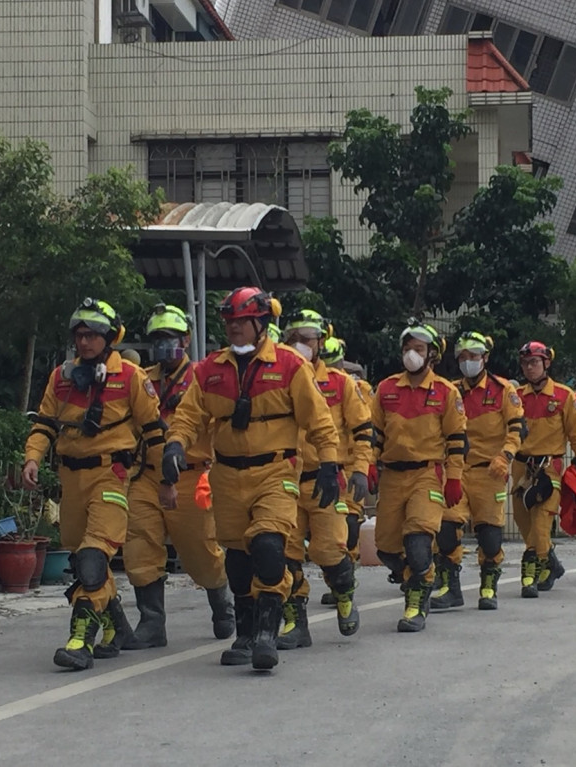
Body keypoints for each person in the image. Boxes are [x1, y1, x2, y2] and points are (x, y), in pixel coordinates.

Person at [160, 287, 341, 672]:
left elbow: (319, 421)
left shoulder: (291, 366)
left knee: (269, 547)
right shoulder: (209, 370)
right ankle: (244, 634)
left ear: (261, 323)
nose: (234, 328)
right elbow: (189, 416)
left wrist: (329, 464)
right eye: (229, 322)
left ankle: (265, 634)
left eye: (241, 322)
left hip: (276, 471)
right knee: (238, 560)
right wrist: (175, 445)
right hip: (226, 474)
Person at [23, 298, 163, 671]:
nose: (84, 342)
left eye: (92, 335)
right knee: (79, 555)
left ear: (110, 337)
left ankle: (79, 640)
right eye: (79, 335)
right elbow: (45, 425)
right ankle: (117, 628)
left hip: (111, 475)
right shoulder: (61, 378)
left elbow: (154, 432)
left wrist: (166, 479)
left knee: (93, 556)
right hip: (71, 477)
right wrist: (33, 458)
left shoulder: (133, 377)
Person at [122, 304, 234, 649]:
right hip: (146, 475)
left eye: (170, 337)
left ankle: (222, 603)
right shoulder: (144, 380)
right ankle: (152, 622)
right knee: (139, 543)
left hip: (191, 475)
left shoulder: (202, 378)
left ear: (186, 339)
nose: (163, 345)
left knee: (200, 549)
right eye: (157, 338)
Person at [275, 310, 372, 649]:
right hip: (284, 479)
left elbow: (362, 431)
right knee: (283, 554)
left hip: (327, 479)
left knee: (330, 549)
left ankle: (343, 592)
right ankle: (295, 621)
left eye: (309, 338)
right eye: (295, 338)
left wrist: (360, 469)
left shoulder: (341, 383)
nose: (302, 345)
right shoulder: (275, 381)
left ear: (320, 342)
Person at [370, 320, 467, 632]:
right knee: (385, 548)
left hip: (427, 475)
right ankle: (415, 576)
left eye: (419, 349)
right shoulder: (385, 390)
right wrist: (368, 464)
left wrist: (454, 478)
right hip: (392, 477)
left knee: (418, 540)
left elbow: (456, 440)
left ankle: (416, 603)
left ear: (432, 355)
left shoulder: (446, 392)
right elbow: (374, 436)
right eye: (408, 348)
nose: (411, 354)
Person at [431, 332, 524, 611]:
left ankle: (488, 586)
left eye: (474, 356)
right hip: (457, 470)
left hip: (490, 471)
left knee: (489, 534)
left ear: (485, 358)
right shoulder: (451, 391)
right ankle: (450, 587)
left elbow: (517, 428)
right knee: (446, 528)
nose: (468, 361)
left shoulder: (503, 390)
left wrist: (505, 456)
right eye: (463, 356)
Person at [511, 341, 576, 598]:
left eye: (534, 362)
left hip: (550, 467)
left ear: (546, 363)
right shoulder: (517, 398)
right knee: (522, 520)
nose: (529, 368)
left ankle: (532, 573)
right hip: (521, 467)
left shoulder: (564, 396)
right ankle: (551, 563)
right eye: (525, 363)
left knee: (541, 522)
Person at [319, 334, 374, 596]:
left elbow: (368, 427)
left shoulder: (359, 389)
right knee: (328, 531)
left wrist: (368, 465)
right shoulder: (310, 384)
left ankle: (345, 576)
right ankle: (338, 579)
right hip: (325, 463)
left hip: (353, 463)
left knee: (350, 523)